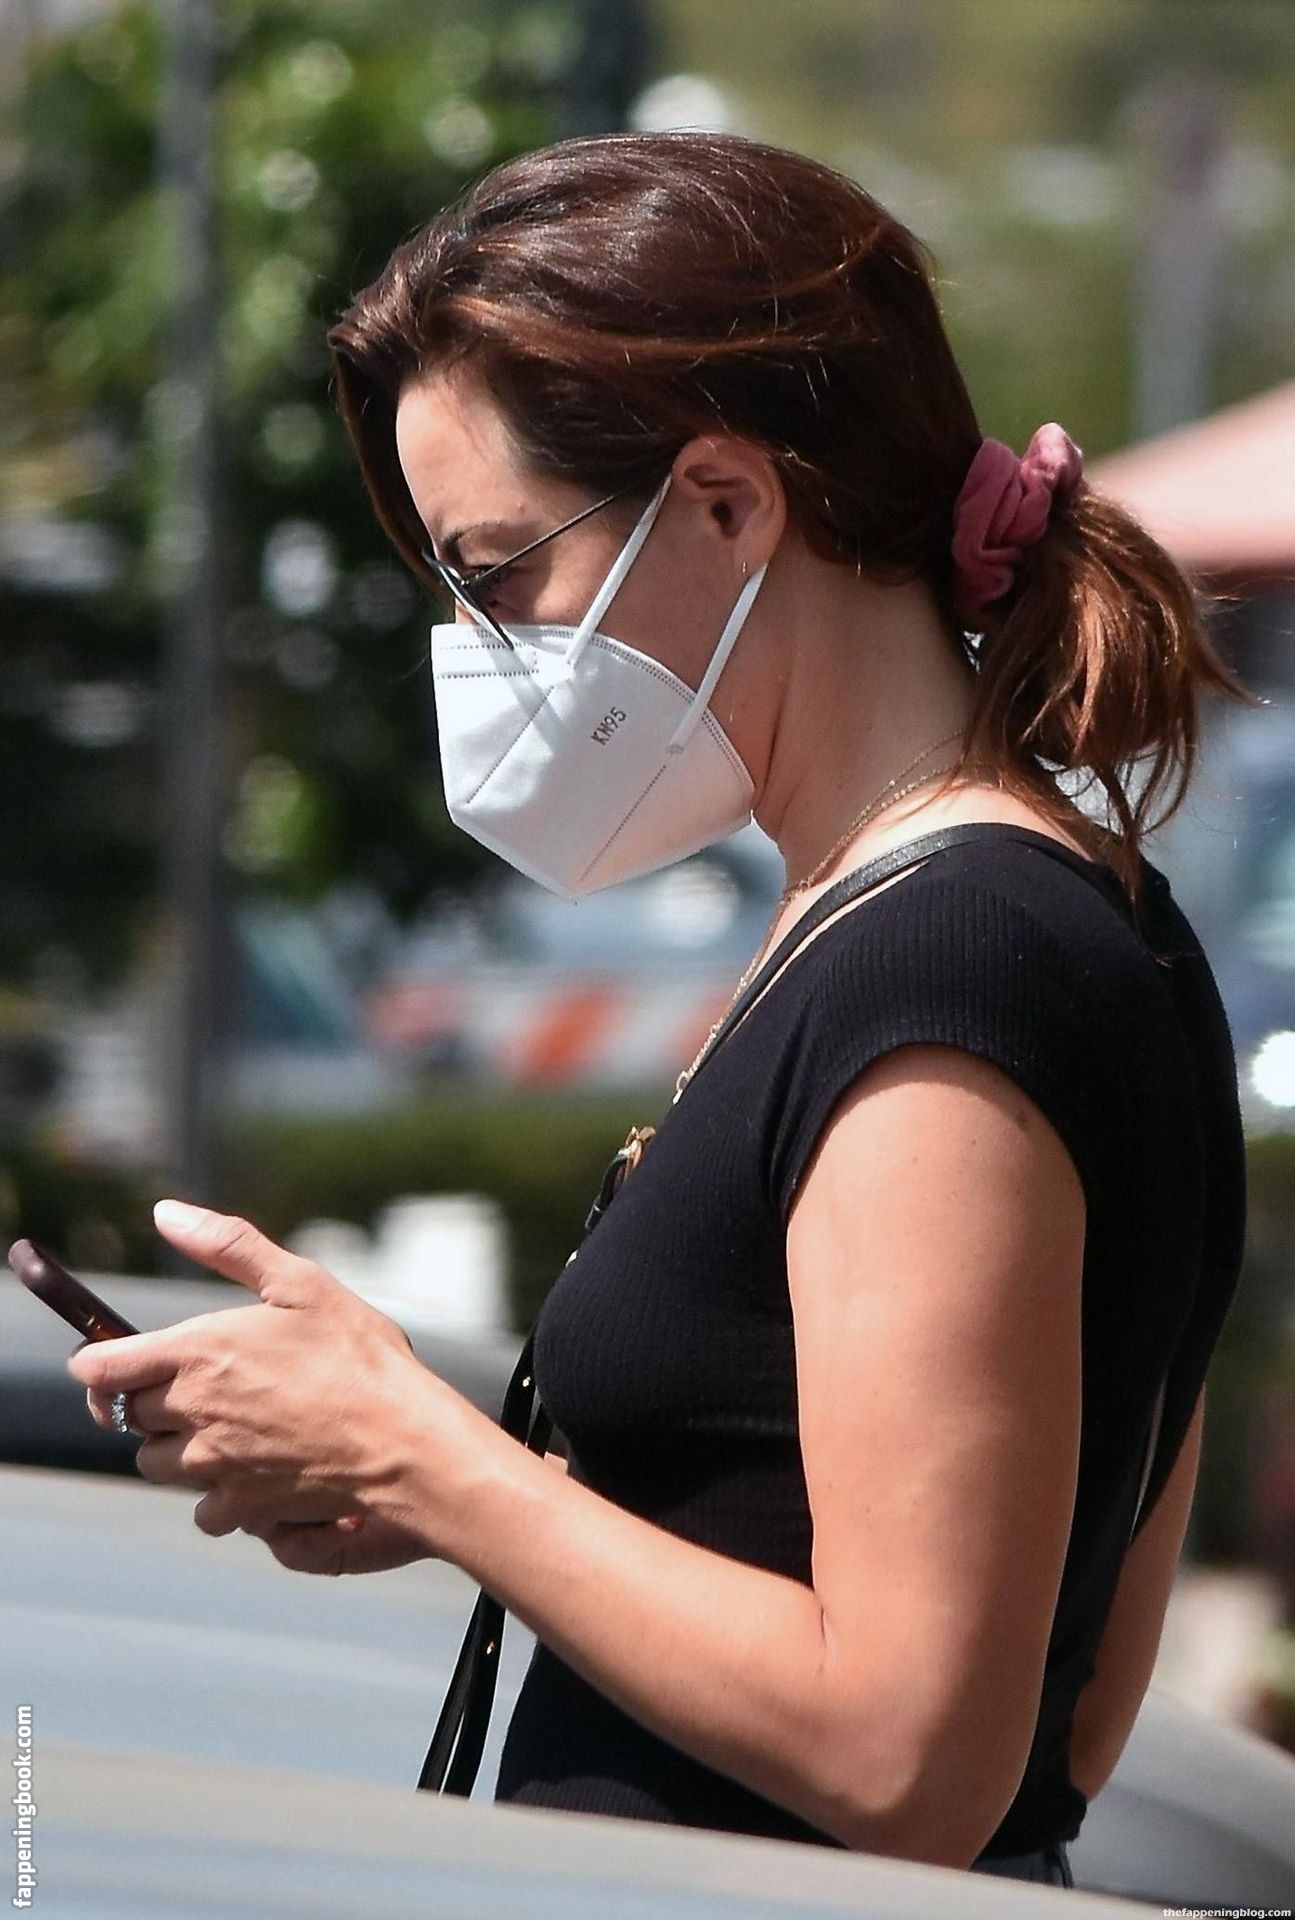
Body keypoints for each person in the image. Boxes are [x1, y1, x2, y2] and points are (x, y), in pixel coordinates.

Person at [74, 131, 1255, 1887]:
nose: (478, 644)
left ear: (725, 503)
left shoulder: (954, 967)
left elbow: (919, 1753)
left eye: (497, 572)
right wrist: (438, 1472)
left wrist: (428, 1460)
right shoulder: (1036, 924)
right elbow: (1068, 1707)